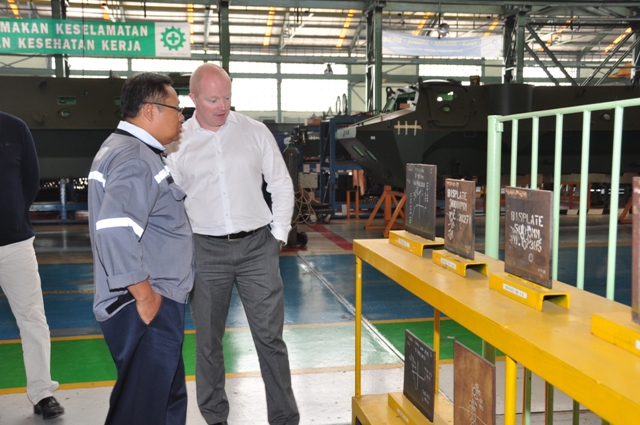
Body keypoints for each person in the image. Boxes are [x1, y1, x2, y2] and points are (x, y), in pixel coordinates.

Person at [165, 63, 299, 425]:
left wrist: (278, 236)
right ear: (193, 98)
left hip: (258, 247)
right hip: (205, 251)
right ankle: (215, 418)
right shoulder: (176, 141)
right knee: (208, 342)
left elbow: (280, 183)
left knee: (270, 339)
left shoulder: (254, 131)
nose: (222, 106)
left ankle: (285, 418)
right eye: (213, 100)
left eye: (226, 97)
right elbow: (169, 200)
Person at [87, 72, 194, 425]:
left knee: (164, 402)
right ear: (150, 110)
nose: (182, 117)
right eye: (176, 109)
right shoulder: (135, 157)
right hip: (145, 301)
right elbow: (114, 228)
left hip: (149, 300)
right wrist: (145, 296)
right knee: (142, 412)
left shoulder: (126, 149)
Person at [0, 111, 65, 420]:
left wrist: (13, 215)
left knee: (33, 319)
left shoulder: (15, 128)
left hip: (15, 244)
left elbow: (30, 181)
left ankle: (42, 393)